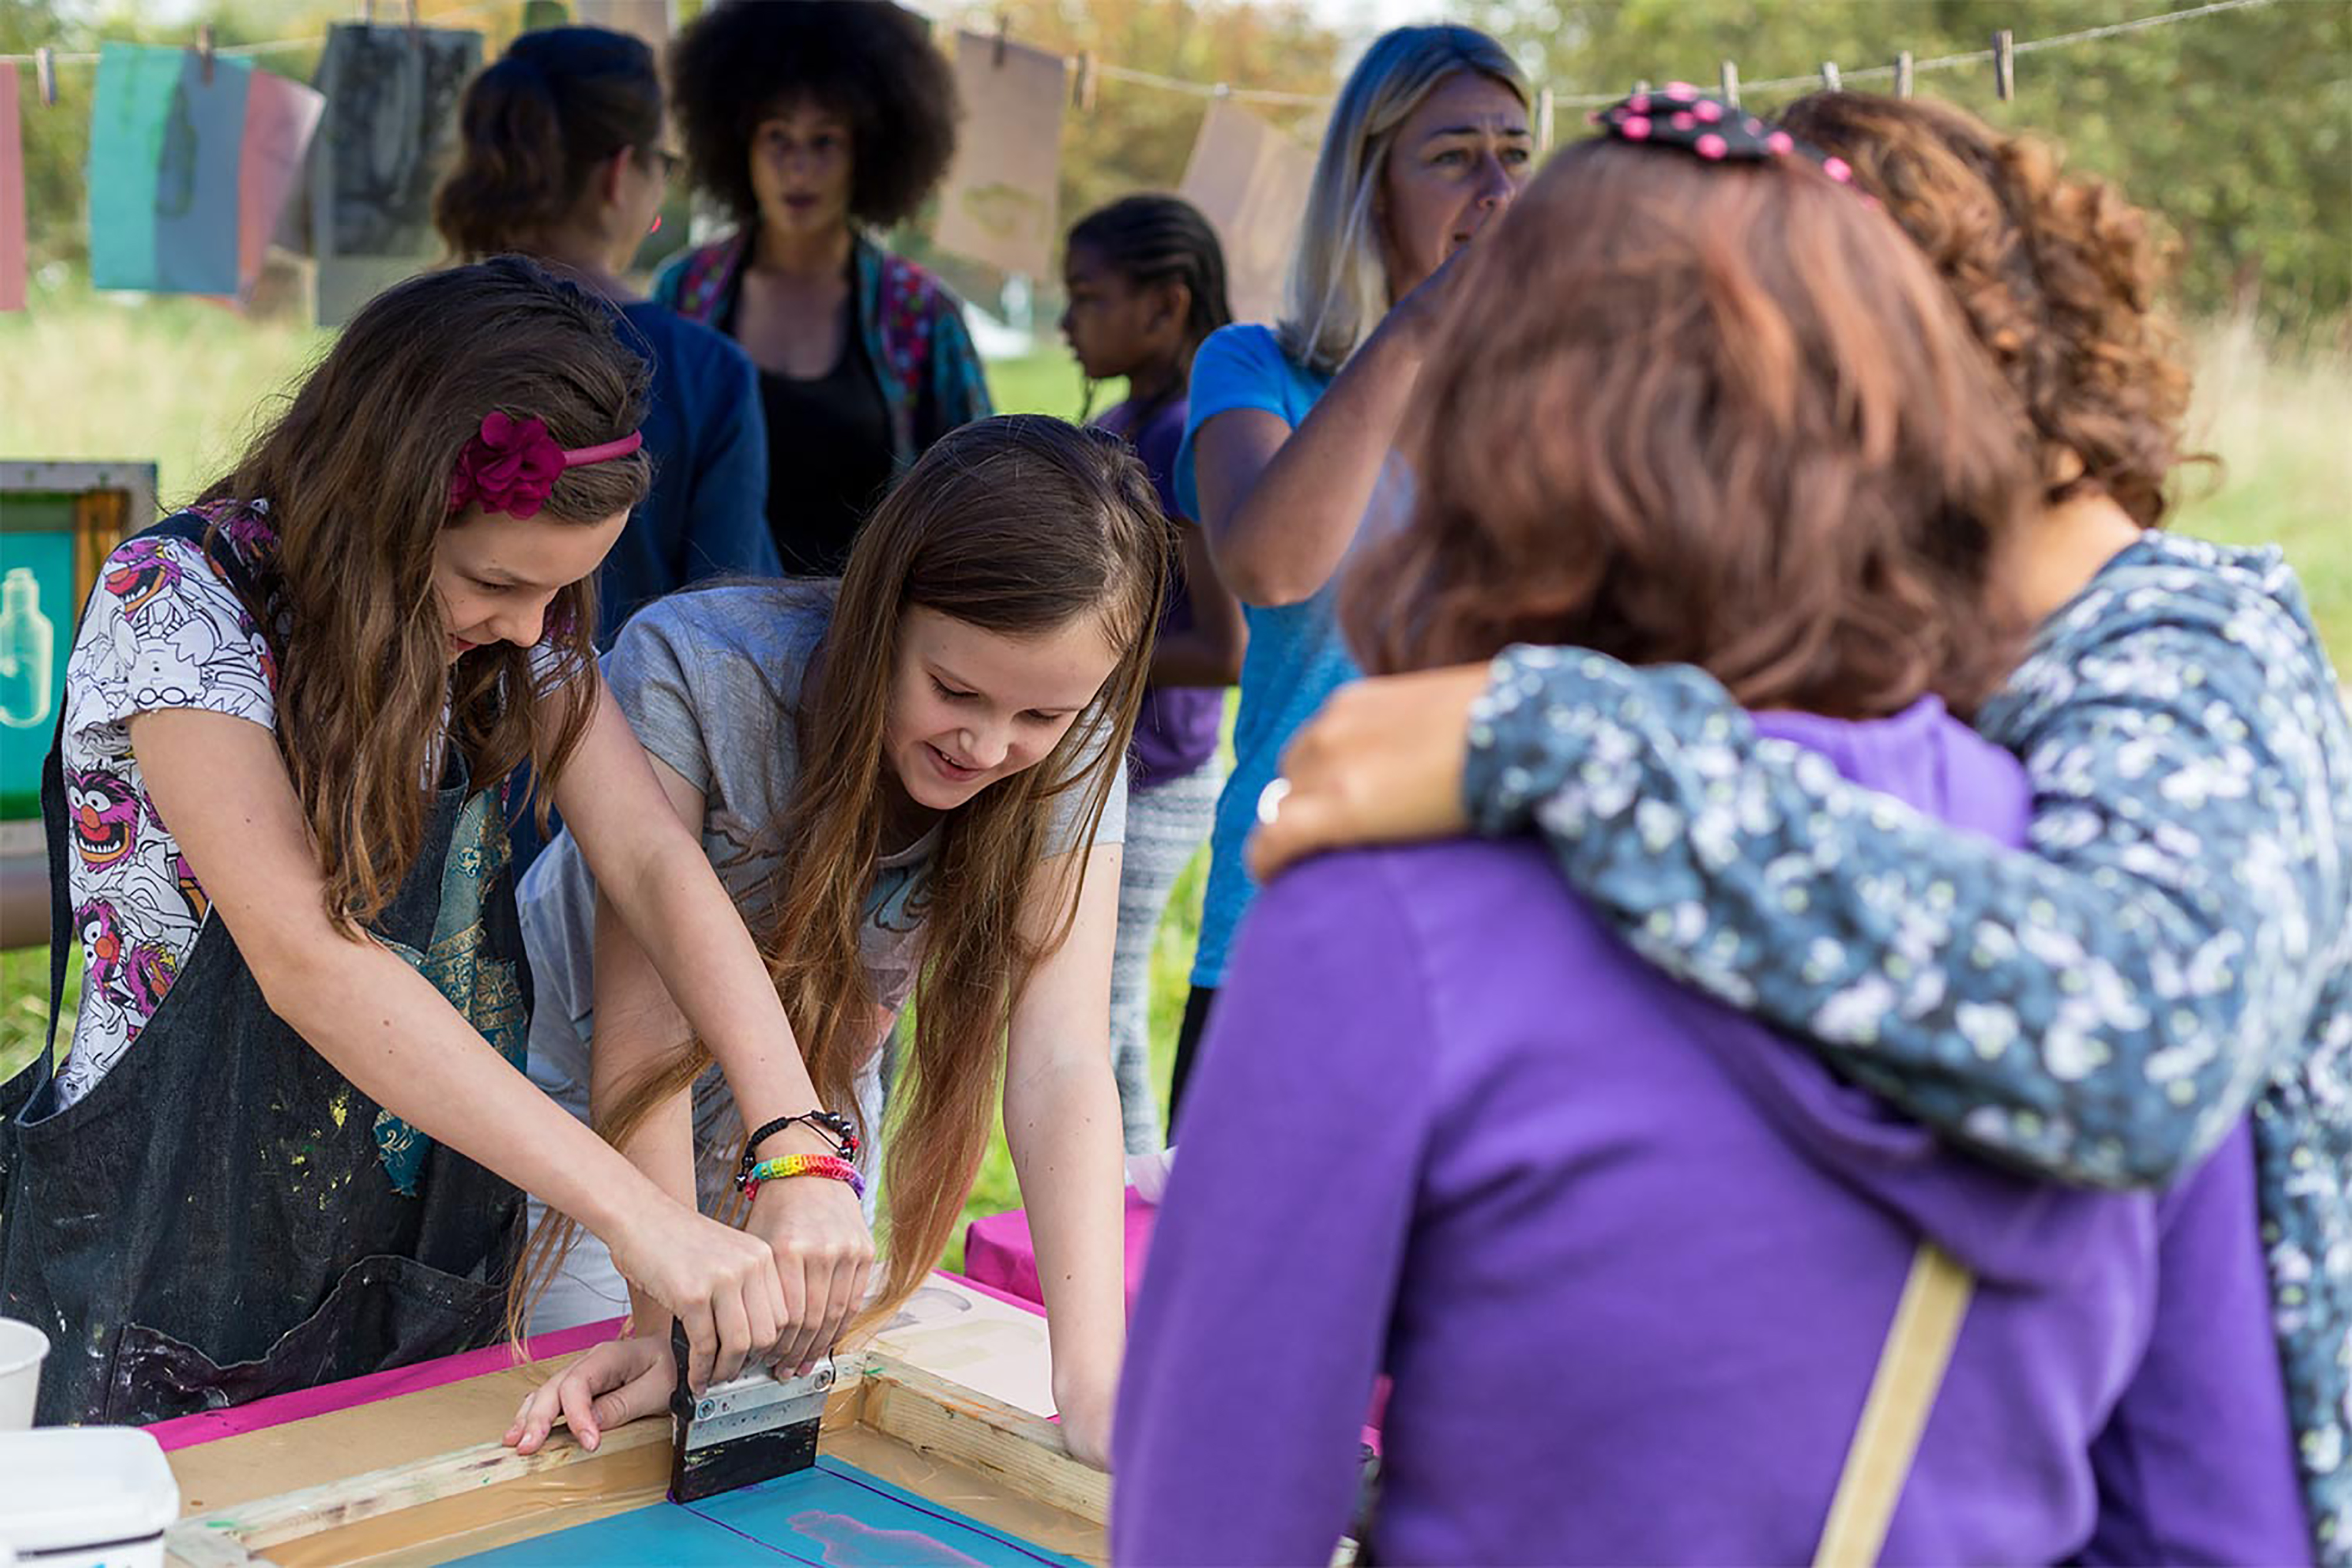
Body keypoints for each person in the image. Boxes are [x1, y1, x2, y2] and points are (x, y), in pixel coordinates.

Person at [1251, 89, 2351, 1560]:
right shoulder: (1951, 690)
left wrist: (1555, 735)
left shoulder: (2184, 654)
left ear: (1945, 359)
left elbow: (2132, 1035)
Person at [0, 259, 826, 1426]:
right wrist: (641, 1217)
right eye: (495, 580)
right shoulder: (176, 605)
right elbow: (311, 963)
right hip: (158, 1227)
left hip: (394, 1217)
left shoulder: (512, 634)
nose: (530, 629)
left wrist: (798, 1142)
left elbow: (652, 864)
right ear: (381, 506)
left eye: (560, 596)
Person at [502, 416, 1166, 1469]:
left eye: (1040, 714)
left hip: (806, 1132)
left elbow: (1062, 1054)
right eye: (953, 691)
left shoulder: (1072, 738)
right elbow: (641, 1022)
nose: (988, 746)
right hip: (592, 1125)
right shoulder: (698, 668)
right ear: (876, 614)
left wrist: (1092, 1380)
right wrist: (661, 1311)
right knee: (619, 1438)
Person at [1166, 24, 1530, 1126]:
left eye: (1518, 152)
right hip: (1296, 897)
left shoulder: (1559, 382)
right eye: (1455, 155)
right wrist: (1418, 326)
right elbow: (1271, 565)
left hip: (1502, 908)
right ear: (1369, 186)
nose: (1500, 186)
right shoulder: (1253, 366)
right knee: (1250, 1281)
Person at [436, 24, 777, 648]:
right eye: (664, 165)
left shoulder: (414, 328)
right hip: (632, 728)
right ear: (621, 174)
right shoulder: (706, 370)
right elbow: (735, 613)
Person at [654, 0, 991, 578]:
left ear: (868, 152)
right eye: (777, 138)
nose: (798, 169)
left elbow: (980, 490)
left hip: (862, 641)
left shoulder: (921, 315)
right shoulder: (685, 293)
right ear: (738, 145)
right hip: (697, 640)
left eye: (824, 141)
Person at [1060, 195, 1245, 1152]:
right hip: (1109, 765)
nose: (1064, 322)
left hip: (1160, 772)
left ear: (1165, 307)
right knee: (1090, 1003)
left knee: (1099, 1007)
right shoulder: (1130, 419)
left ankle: (1128, 1213)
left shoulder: (1182, 434)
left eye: (1087, 298)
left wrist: (1072, 665)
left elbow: (1226, 646)